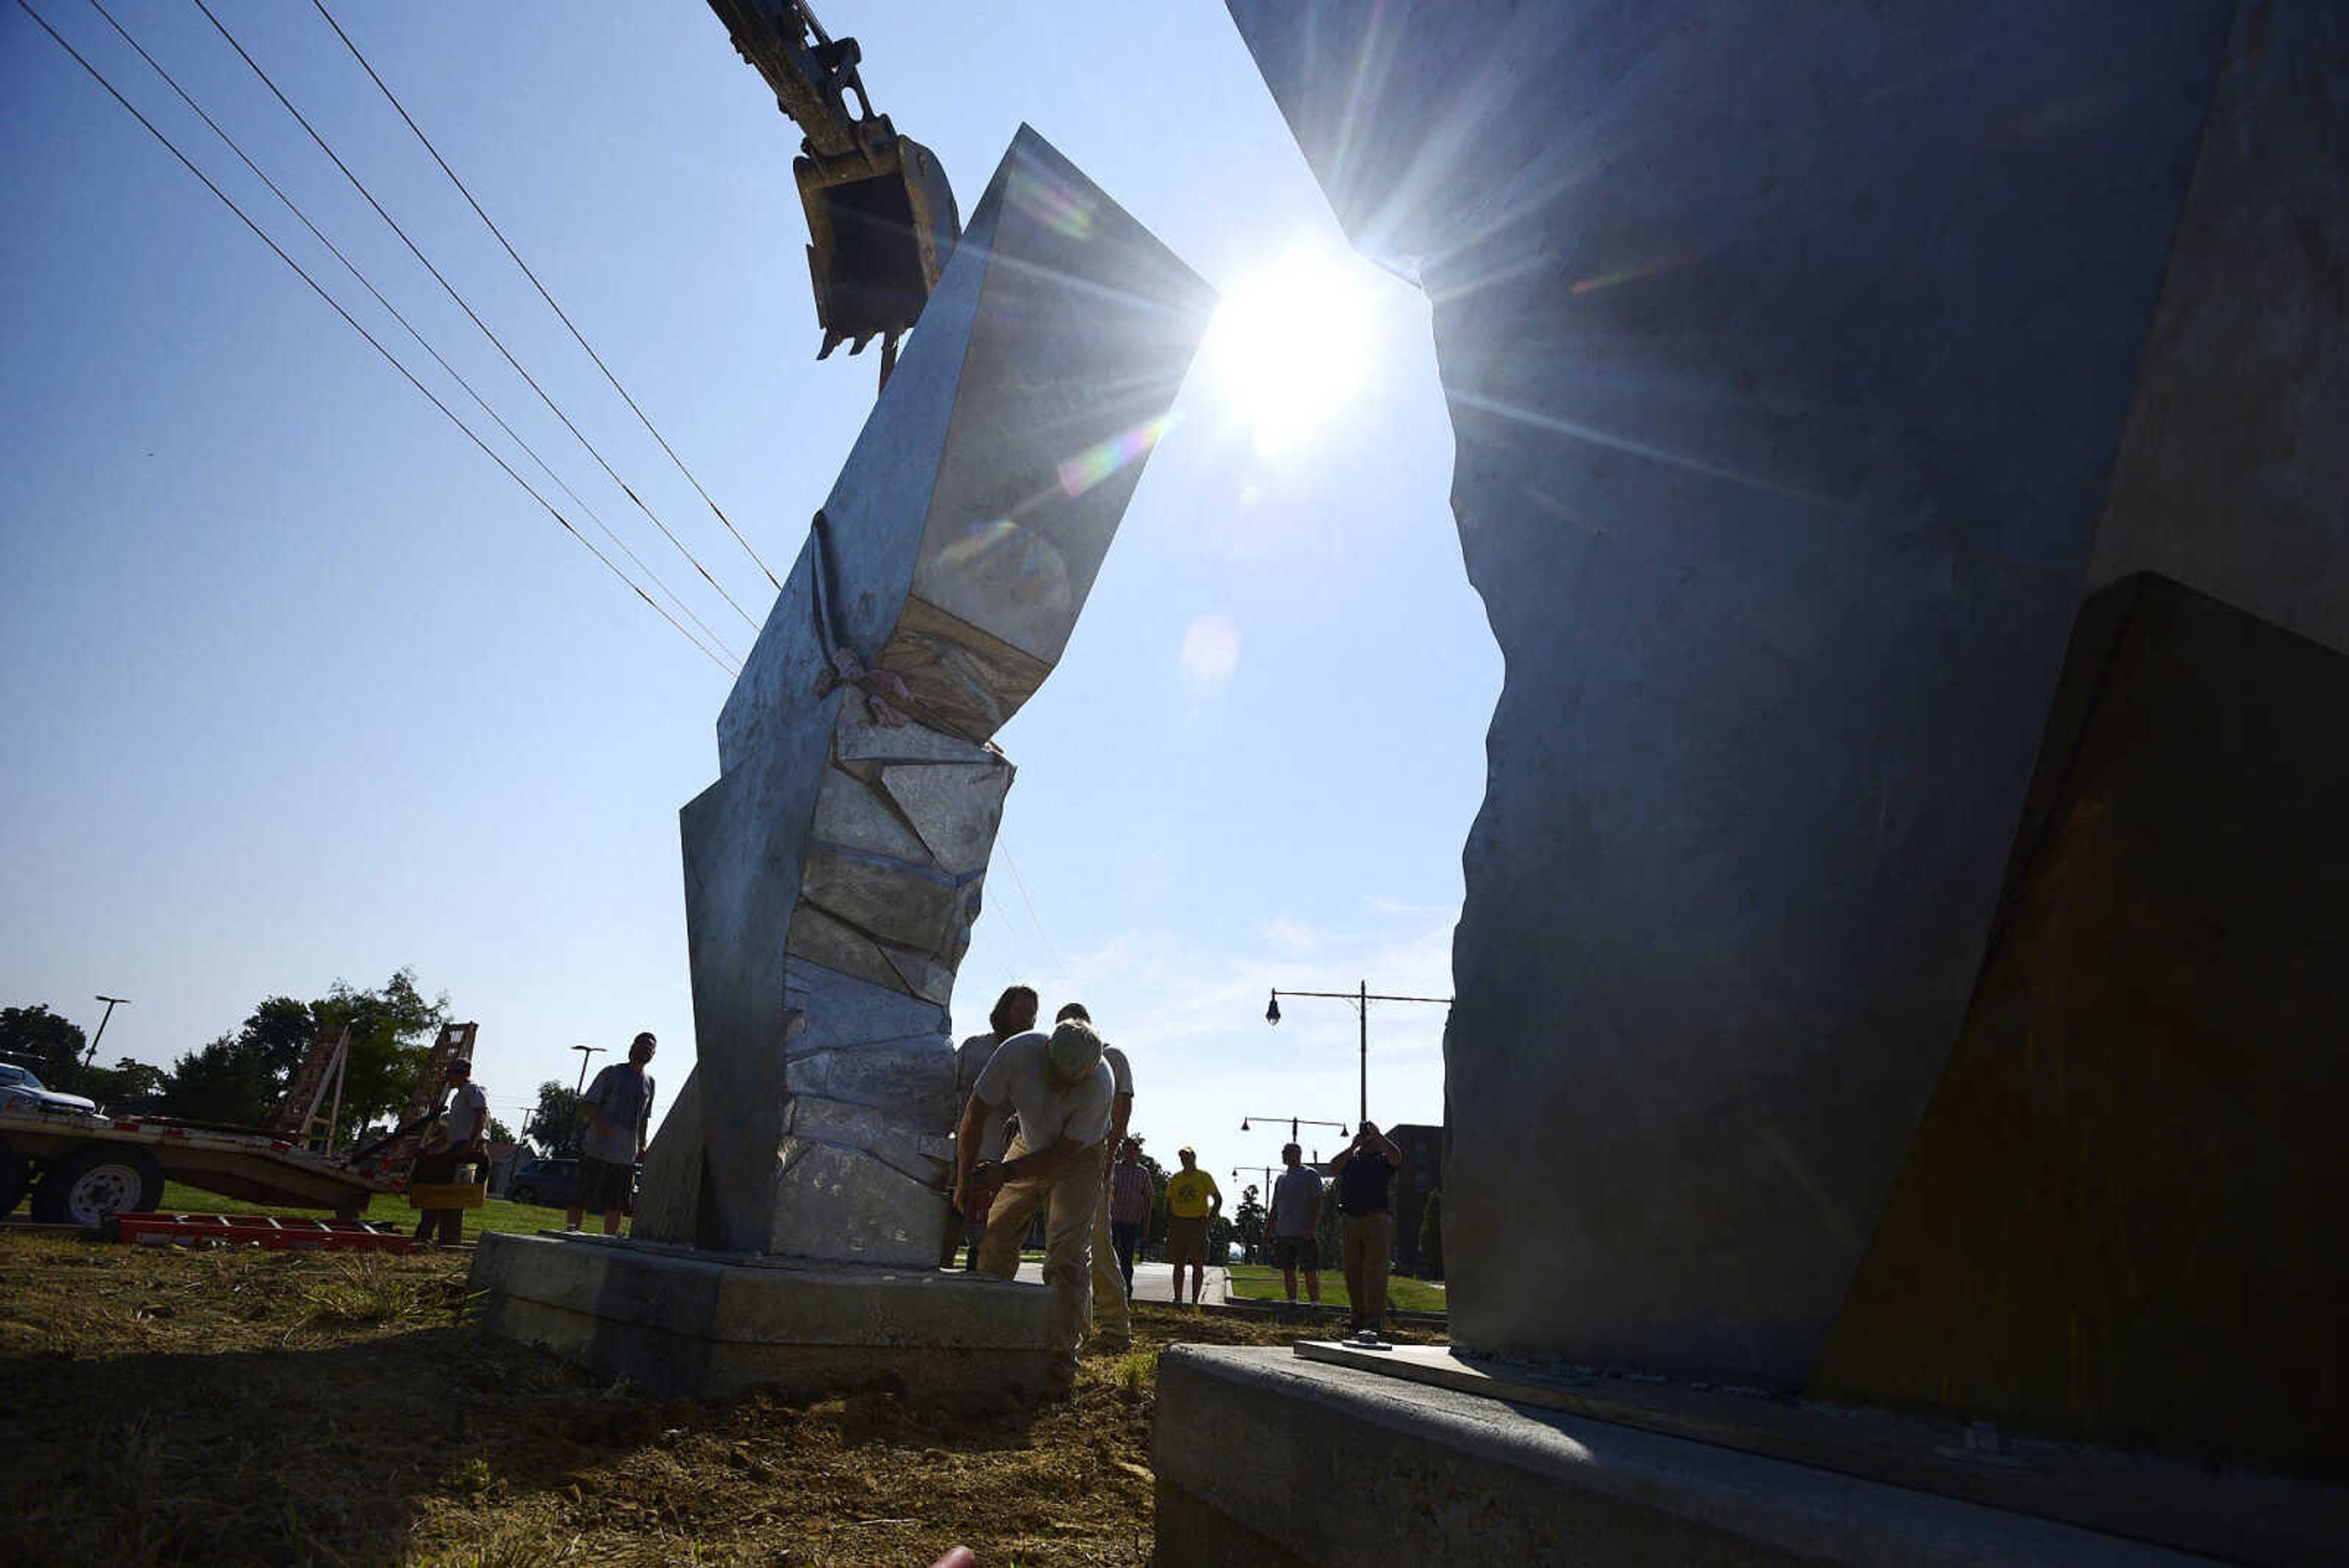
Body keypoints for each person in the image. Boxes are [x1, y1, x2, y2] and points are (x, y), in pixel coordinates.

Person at [956, 1017, 1115, 1395]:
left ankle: (1060, 1365)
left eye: (1070, 1082)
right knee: (994, 1236)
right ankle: (988, 1341)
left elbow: (1062, 1156)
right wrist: (964, 1180)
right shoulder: (1016, 1052)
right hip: (1029, 1143)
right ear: (1047, 1052)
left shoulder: (1100, 1084)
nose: (1062, 1086)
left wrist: (1004, 1173)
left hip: (1080, 1157)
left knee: (1066, 1257)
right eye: (1057, 1076)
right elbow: (974, 1117)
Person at [1056, 1001, 1136, 1352]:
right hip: (1062, 1163)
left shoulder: (1111, 1057)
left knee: (1100, 1247)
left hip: (1096, 1160)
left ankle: (1117, 1329)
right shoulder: (1058, 1059)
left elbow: (1122, 1108)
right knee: (1068, 1249)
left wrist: (1109, 1158)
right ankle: (1078, 1325)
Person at [943, 984, 1039, 1269]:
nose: (1025, 1019)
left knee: (987, 1239)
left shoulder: (1030, 1059)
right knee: (947, 1229)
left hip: (999, 1160)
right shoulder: (975, 1047)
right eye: (1020, 1010)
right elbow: (948, 1089)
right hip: (959, 1152)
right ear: (1004, 1009)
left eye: (1032, 1015)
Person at [570, 1032, 656, 1235]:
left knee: (617, 1201)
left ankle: (609, 1239)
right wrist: (601, 1126)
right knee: (582, 1195)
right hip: (597, 1149)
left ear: (653, 1054)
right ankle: (571, 1232)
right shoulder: (612, 1073)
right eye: (642, 1044)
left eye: (650, 1048)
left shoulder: (649, 1083)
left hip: (625, 1155)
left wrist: (642, 1146)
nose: (645, 1050)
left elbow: (644, 1118)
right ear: (632, 1047)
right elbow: (588, 1105)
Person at [1329, 1119, 1404, 1338]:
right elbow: (1333, 1167)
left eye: (1369, 1136)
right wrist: (1353, 1146)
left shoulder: (1383, 1160)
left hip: (1376, 1218)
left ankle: (1375, 1319)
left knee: (1376, 1269)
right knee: (1353, 1270)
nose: (1366, 1140)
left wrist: (1379, 1137)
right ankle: (1357, 1316)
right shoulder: (1351, 1160)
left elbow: (1397, 1158)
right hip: (1350, 1218)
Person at [412, 1057, 487, 1246]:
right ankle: (430, 1235)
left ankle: (447, 1240)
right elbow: (451, 1132)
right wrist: (428, 1149)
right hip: (459, 1147)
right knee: (440, 1189)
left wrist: (471, 1143)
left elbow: (481, 1115)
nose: (448, 1078)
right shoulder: (458, 1097)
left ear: (459, 1073)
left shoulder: (473, 1090)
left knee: (454, 1195)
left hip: (469, 1150)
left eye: (450, 1074)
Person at [1163, 1146, 1221, 1306]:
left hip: (1198, 1223)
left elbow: (1218, 1199)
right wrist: (1172, 1221)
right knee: (1178, 1263)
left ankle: (1195, 1301)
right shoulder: (1176, 1178)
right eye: (1182, 1157)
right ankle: (1178, 1299)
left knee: (1198, 1263)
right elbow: (1168, 1201)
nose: (1184, 1160)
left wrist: (1209, 1220)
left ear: (1194, 1157)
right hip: (1179, 1223)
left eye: (1187, 1157)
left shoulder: (1204, 1177)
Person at [1269, 1141, 1324, 1308]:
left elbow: (1317, 1202)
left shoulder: (1310, 1175)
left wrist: (1312, 1227)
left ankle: (1315, 1303)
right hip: (1284, 1232)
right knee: (1288, 1269)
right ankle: (1292, 1301)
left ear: (1297, 1154)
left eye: (1287, 1152)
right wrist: (1269, 1230)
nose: (1284, 1155)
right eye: (1283, 1152)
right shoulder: (1281, 1178)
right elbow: (1275, 1207)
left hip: (1303, 1232)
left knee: (1309, 1269)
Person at [1107, 1139, 1151, 1300]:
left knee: (1126, 1260)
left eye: (1132, 1151)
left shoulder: (1143, 1173)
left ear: (1137, 1152)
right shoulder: (1115, 1168)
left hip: (1131, 1222)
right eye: (1125, 1150)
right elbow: (1107, 1190)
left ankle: (1126, 1293)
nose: (1128, 1154)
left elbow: (1147, 1200)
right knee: (1109, 1258)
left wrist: (1146, 1223)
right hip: (1113, 1219)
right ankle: (1106, 1291)